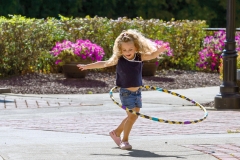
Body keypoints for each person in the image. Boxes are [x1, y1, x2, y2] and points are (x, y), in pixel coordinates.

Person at [77, 29, 167, 150]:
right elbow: (103, 63)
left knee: (134, 116)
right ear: (120, 49)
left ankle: (116, 133)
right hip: (126, 93)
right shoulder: (119, 59)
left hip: (137, 92)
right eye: (124, 50)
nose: (127, 52)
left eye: (130, 49)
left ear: (136, 47)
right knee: (131, 117)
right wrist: (87, 66)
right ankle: (124, 140)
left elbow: (151, 55)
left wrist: (159, 51)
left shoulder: (139, 57)